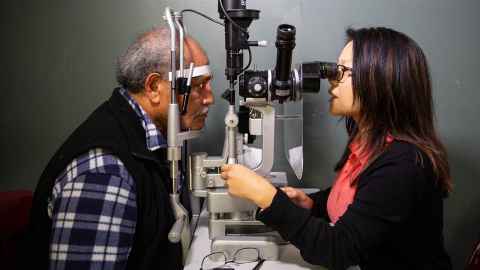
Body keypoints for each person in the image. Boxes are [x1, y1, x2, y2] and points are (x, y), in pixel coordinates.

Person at [220, 27, 452, 270]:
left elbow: (337, 250)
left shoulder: (403, 165)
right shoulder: (371, 145)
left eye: (343, 71)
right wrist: (314, 204)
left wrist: (265, 196)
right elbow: (364, 204)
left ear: (379, 80)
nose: (332, 79)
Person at [24, 27, 214, 270]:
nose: (209, 98)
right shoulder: (105, 173)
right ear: (155, 87)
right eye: (198, 85)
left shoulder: (155, 141)